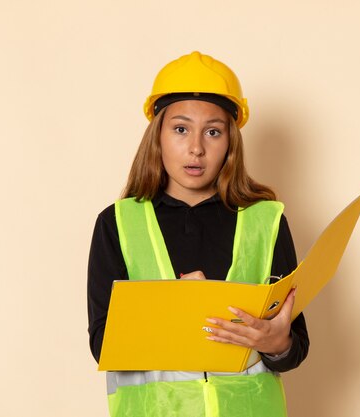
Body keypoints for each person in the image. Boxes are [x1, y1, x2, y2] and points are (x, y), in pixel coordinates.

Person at [87, 51, 309, 417]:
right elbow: (102, 344)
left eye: (213, 132)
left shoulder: (265, 221)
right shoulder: (117, 224)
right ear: (157, 135)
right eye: (180, 129)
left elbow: (294, 347)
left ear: (230, 142)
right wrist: (174, 308)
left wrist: (278, 342)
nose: (196, 148)